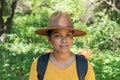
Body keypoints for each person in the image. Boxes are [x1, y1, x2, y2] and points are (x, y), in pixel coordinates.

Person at [29, 11, 95, 80]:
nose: (64, 40)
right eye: (57, 36)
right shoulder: (39, 64)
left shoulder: (83, 65)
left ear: (72, 38)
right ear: (49, 38)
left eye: (68, 35)